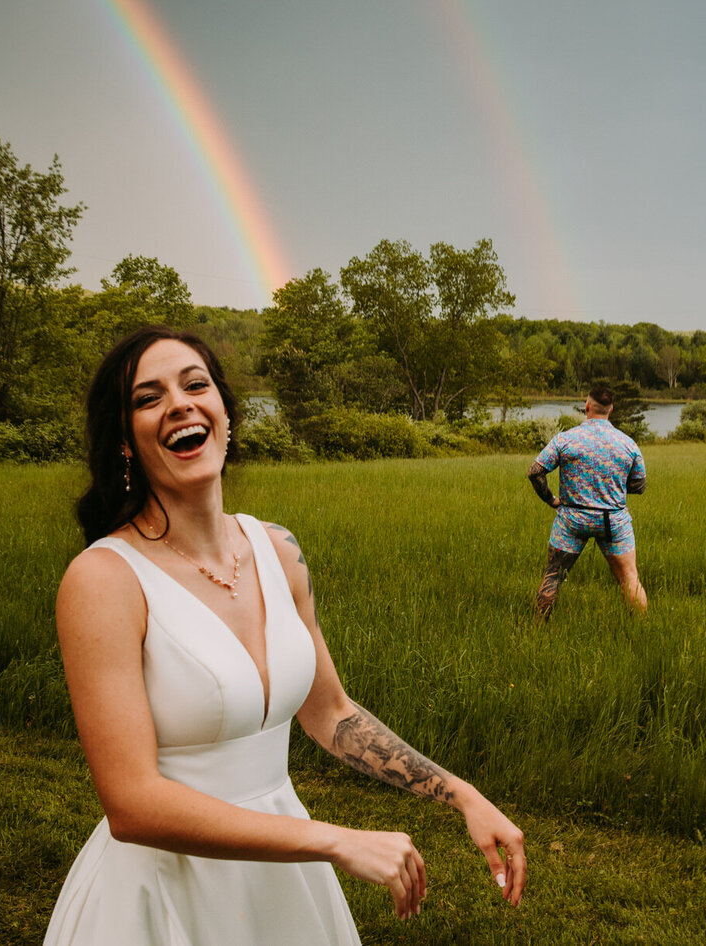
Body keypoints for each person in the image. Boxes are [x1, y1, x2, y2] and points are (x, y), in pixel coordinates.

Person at [45, 325, 525, 945]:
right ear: (125, 442)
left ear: (223, 413)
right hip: (167, 891)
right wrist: (332, 839)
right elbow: (132, 804)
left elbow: (331, 714)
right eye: (148, 397)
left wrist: (461, 794)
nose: (180, 404)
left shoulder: (277, 548)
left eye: (196, 385)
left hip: (280, 884)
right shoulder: (104, 579)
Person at [526, 383, 648, 619]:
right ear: (611, 410)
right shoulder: (628, 444)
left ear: (587, 406)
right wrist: (612, 488)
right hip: (613, 521)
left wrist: (552, 500)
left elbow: (535, 471)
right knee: (630, 577)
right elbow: (639, 486)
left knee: (553, 575)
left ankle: (538, 628)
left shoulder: (566, 439)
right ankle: (642, 629)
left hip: (573, 518)